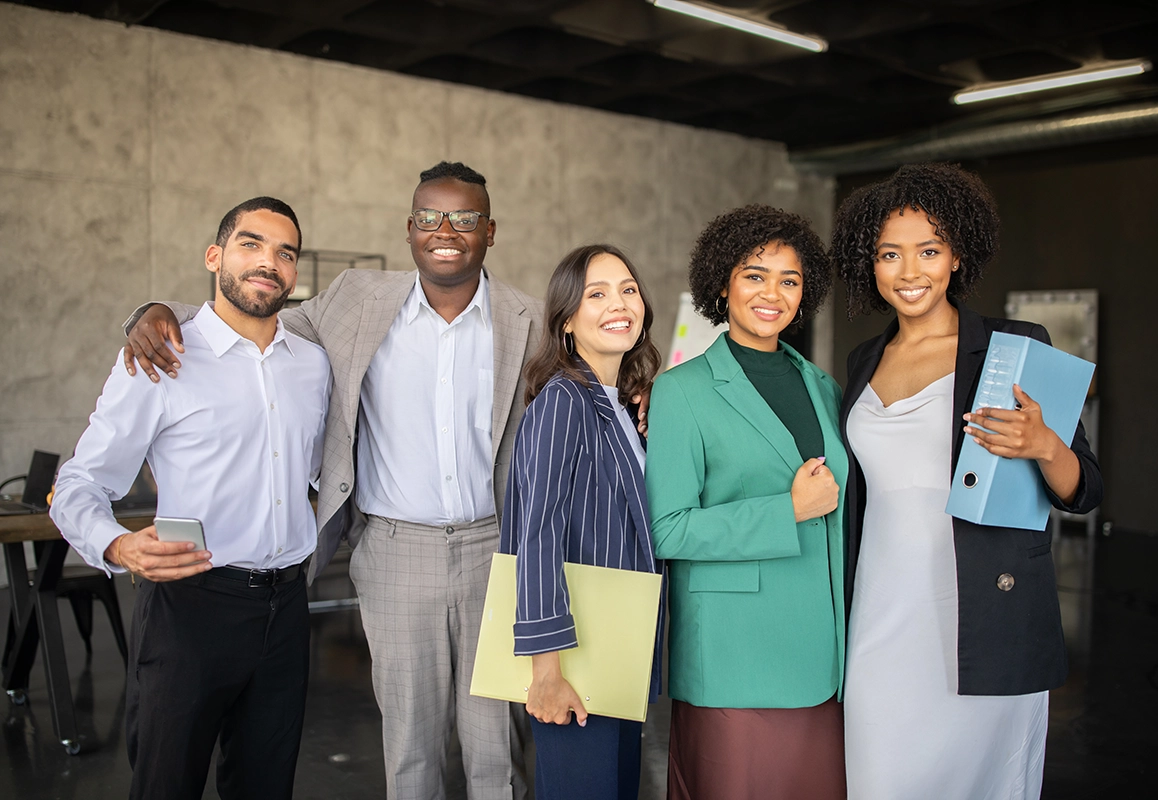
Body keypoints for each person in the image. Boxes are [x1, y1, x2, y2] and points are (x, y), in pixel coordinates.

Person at [122, 163, 540, 800]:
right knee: (411, 747)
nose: (445, 230)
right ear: (409, 229)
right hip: (396, 551)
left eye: (464, 218)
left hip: (498, 547)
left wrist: (645, 388)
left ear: (490, 230)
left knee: (498, 748)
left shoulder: (529, 320)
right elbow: (248, 312)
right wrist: (156, 312)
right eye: (430, 217)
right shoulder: (355, 301)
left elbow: (594, 370)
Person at [830, 162, 1103, 800]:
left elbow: (1085, 488)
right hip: (879, 610)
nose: (909, 271)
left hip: (983, 611)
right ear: (870, 265)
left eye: (929, 251)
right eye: (889, 255)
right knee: (879, 778)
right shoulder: (863, 359)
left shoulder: (1012, 348)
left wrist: (1043, 445)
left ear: (957, 257)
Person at [51, 197, 331, 799]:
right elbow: (78, 483)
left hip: (286, 608)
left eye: (285, 253)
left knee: (266, 786)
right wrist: (118, 545)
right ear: (215, 256)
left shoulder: (313, 365)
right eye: (250, 244)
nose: (269, 263)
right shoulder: (158, 356)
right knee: (165, 785)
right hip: (191, 605)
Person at [644, 205, 848, 800]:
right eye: (755, 275)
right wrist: (785, 511)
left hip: (820, 651)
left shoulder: (822, 385)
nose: (773, 293)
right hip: (733, 654)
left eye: (790, 280)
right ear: (722, 284)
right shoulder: (681, 391)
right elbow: (667, 529)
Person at [499, 244, 664, 800]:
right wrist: (546, 670)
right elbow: (537, 532)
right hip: (573, 659)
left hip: (617, 645)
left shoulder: (617, 404)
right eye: (597, 294)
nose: (619, 304)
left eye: (628, 289)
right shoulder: (564, 399)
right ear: (567, 320)